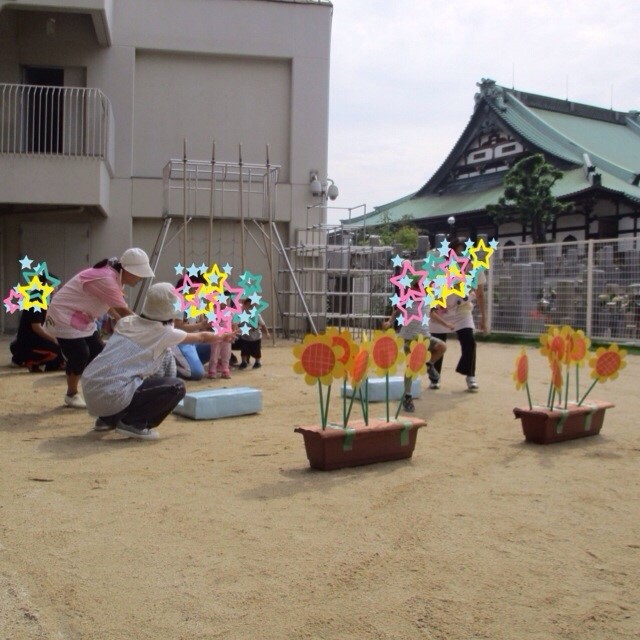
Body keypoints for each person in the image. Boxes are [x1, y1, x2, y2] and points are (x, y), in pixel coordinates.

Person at [81, 282, 237, 441]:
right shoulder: (163, 332)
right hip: (113, 393)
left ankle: (107, 419)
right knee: (176, 387)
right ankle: (134, 423)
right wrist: (223, 336)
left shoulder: (126, 322)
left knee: (130, 378)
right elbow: (202, 337)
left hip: (91, 387)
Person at [45, 248, 154, 408]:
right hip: (64, 315)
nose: (140, 278)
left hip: (82, 318)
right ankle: (71, 394)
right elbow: (124, 311)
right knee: (80, 354)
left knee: (98, 353)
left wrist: (120, 320)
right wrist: (151, 327)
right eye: (139, 274)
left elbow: (109, 303)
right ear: (128, 270)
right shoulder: (107, 279)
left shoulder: (113, 276)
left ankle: (99, 390)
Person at [429, 237, 487, 392]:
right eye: (457, 253)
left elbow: (480, 294)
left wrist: (483, 318)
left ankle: (470, 375)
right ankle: (434, 376)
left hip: (462, 311)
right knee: (437, 344)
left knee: (469, 341)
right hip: (442, 310)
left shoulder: (476, 269)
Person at [383, 284, 450, 413]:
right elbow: (397, 311)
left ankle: (429, 365)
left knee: (442, 346)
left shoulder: (428, 298)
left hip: (425, 337)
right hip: (409, 339)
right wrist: (389, 322)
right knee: (411, 368)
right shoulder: (407, 298)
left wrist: (446, 324)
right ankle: (407, 396)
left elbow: (432, 314)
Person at [9, 276, 64, 372]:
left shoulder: (43, 301)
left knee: (61, 345)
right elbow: (37, 327)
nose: (55, 289)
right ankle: (32, 362)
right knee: (58, 350)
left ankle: (21, 357)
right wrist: (53, 339)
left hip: (31, 340)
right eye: (53, 286)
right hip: (30, 342)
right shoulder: (36, 302)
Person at [236, 298, 270, 369]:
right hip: (245, 337)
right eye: (248, 306)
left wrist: (267, 333)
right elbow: (237, 324)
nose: (250, 308)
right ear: (244, 305)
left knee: (257, 350)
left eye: (252, 306)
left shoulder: (257, 315)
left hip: (256, 337)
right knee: (244, 350)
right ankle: (244, 362)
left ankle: (257, 362)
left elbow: (263, 325)